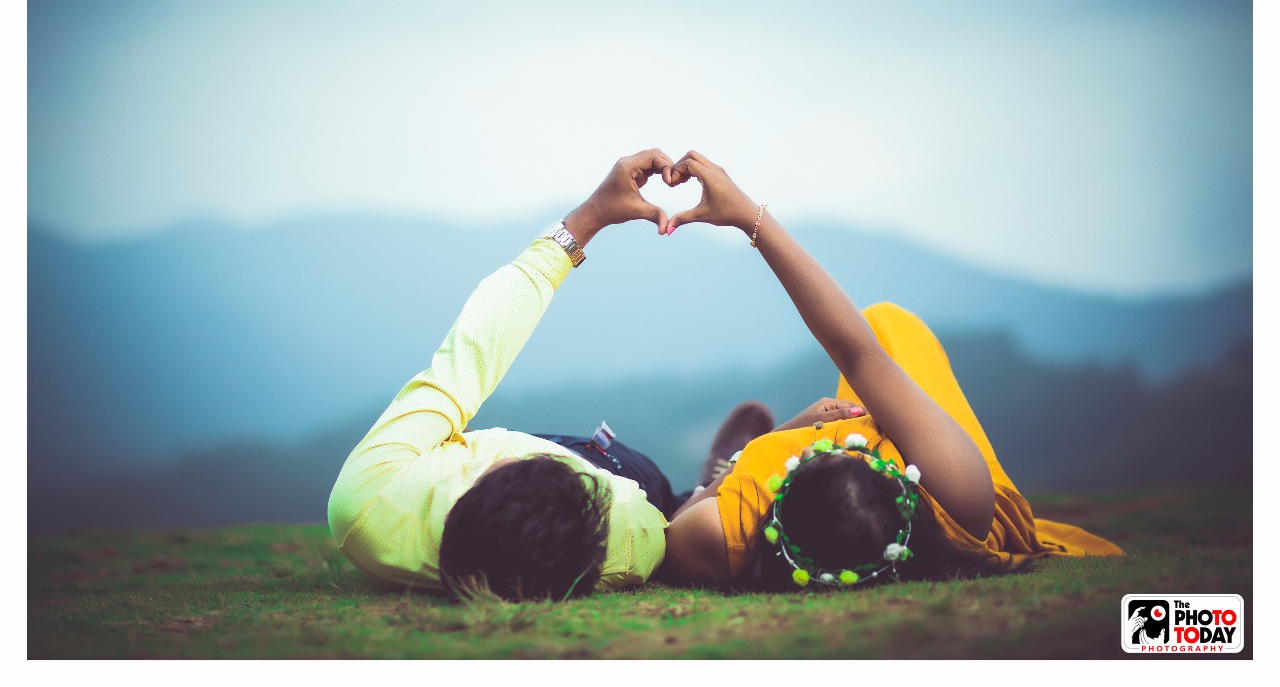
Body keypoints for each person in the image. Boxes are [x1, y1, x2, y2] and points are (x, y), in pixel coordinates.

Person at [656, 151, 1124, 590]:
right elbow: (859, 352)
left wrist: (765, 446)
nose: (843, 434)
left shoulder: (718, 538)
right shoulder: (961, 498)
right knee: (887, 321)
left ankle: (726, 461)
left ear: (776, 497)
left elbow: (677, 525)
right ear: (902, 489)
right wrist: (750, 217)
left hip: (769, 490)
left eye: (819, 449)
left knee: (876, 344)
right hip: (950, 483)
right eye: (863, 452)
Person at [328, 149, 721, 601]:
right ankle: (712, 473)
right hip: (624, 476)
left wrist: (589, 217)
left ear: (467, 497)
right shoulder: (625, 537)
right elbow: (668, 535)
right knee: (672, 501)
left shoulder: (368, 500)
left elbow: (476, 348)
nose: (522, 454)